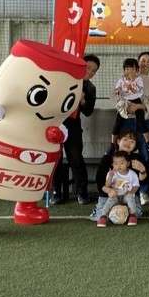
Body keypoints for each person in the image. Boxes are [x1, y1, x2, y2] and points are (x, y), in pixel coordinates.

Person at [52, 53, 99, 205]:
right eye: (88, 68)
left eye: (94, 71)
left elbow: (88, 111)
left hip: (73, 126)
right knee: (56, 159)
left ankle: (82, 193)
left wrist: (83, 100)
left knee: (76, 159)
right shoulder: (64, 79)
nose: (90, 72)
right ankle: (57, 192)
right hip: (55, 124)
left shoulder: (90, 87)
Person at [91, 130, 148, 221]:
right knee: (102, 216)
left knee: (136, 214)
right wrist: (109, 190)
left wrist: (143, 171)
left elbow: (141, 181)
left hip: (129, 196)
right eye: (125, 139)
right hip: (110, 196)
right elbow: (100, 181)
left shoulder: (137, 159)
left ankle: (123, 211)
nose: (128, 143)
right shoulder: (107, 158)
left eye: (132, 141)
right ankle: (99, 209)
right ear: (118, 141)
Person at [96, 151, 139, 227]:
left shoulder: (132, 174)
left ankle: (133, 215)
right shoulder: (112, 174)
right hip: (115, 195)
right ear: (112, 165)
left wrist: (131, 192)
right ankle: (103, 216)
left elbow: (136, 186)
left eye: (122, 163)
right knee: (109, 201)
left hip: (126, 195)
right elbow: (107, 185)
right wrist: (110, 176)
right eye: (116, 163)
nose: (119, 166)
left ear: (128, 164)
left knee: (130, 198)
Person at [112, 57, 148, 147]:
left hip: (136, 100)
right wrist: (117, 91)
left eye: (132, 69)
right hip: (125, 101)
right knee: (118, 121)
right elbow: (117, 89)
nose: (129, 71)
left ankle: (148, 142)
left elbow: (138, 91)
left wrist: (131, 87)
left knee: (141, 120)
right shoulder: (121, 80)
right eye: (127, 69)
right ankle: (113, 143)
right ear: (124, 70)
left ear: (137, 70)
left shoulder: (139, 79)